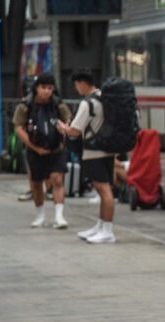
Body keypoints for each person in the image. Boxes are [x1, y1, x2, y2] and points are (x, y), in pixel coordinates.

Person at [58, 69, 116, 244]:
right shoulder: (105, 97)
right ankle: (101, 225)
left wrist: (62, 127)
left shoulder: (88, 103)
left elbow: (75, 130)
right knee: (104, 189)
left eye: (76, 85)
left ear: (82, 83)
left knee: (103, 190)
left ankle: (107, 231)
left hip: (93, 151)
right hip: (108, 149)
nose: (77, 89)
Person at [13, 73, 72, 229]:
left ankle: (59, 216)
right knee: (36, 182)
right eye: (43, 87)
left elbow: (67, 119)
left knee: (57, 179)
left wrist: (64, 127)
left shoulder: (58, 104)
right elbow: (19, 129)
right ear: (36, 88)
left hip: (56, 148)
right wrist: (35, 148)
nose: (46, 91)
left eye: (49, 88)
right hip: (35, 150)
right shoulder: (25, 105)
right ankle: (40, 215)